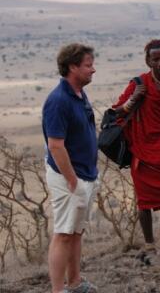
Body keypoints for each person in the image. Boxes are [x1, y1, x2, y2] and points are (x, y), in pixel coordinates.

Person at [111, 39, 160, 256]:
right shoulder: (139, 83)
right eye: (156, 59)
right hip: (144, 149)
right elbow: (117, 112)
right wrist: (135, 97)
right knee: (144, 200)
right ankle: (150, 243)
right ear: (148, 61)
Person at [43, 43, 99, 293]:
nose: (93, 70)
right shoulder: (58, 101)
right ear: (73, 67)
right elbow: (55, 145)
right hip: (69, 178)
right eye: (88, 65)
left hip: (85, 175)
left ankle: (75, 282)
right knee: (64, 233)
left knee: (76, 231)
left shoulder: (78, 94)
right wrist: (72, 181)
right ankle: (58, 290)